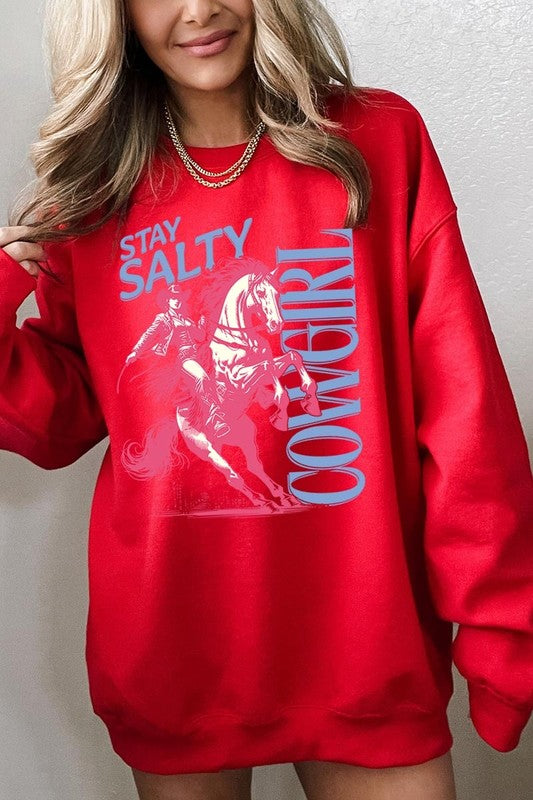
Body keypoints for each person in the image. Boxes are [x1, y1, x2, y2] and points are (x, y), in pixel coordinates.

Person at [1, 1, 532, 799]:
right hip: (175, 650)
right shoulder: (93, 187)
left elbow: (463, 404)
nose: (199, 10)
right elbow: (62, 420)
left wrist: (500, 625)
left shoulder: (374, 141)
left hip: (366, 649)